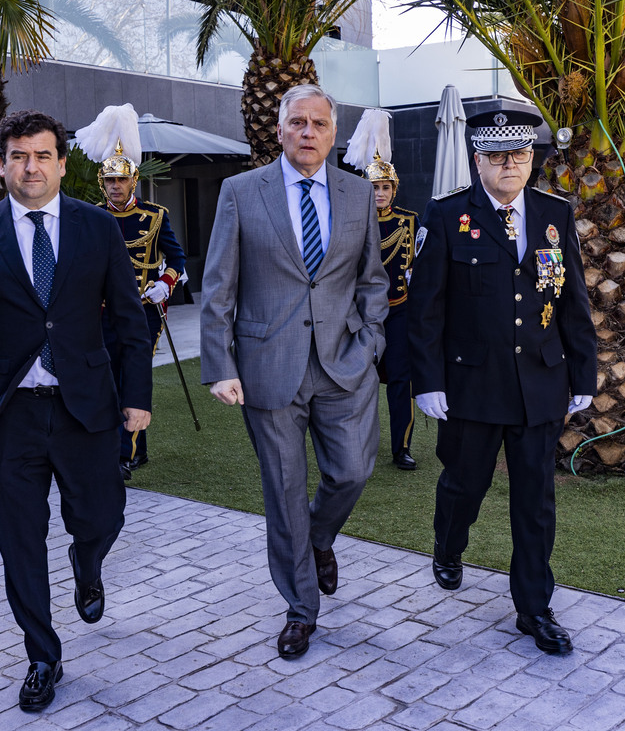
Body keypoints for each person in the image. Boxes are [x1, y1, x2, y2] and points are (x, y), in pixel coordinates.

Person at [0, 110, 152, 711]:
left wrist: (136, 399)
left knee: (102, 516)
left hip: (87, 409)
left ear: (60, 162)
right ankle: (42, 656)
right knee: (20, 543)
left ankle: (88, 558)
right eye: (19, 156)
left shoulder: (98, 227)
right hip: (8, 415)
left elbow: (130, 320)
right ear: (2, 164)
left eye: (43, 155)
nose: (31, 167)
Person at [200, 84, 389, 660]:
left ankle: (321, 537)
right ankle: (301, 609)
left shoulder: (358, 194)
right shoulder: (239, 192)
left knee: (353, 470)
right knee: (282, 494)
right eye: (298, 122)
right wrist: (219, 365)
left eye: (320, 124)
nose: (309, 132)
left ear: (334, 134)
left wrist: (371, 339)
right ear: (279, 130)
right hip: (267, 368)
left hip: (343, 364)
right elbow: (218, 287)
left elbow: (372, 279)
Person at [408, 107, 597, 655]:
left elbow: (573, 304)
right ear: (478, 161)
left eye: (518, 155)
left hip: (539, 383)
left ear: (532, 158)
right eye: (496, 156)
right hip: (470, 384)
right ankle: (448, 543)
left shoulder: (554, 214)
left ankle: (534, 608)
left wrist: (581, 372)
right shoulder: (446, 217)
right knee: (465, 484)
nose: (509, 165)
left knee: (535, 502)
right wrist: (428, 382)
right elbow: (425, 311)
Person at [97, 132, 186, 479]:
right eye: (110, 179)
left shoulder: (156, 215)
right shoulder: (91, 217)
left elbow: (177, 258)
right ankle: (135, 449)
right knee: (110, 381)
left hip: (143, 311)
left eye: (121, 179)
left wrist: (166, 283)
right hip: (102, 313)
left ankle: (124, 456)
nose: (115, 185)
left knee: (132, 379)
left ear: (134, 180)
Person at [343, 108, 419, 470]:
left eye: (386, 187)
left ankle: (401, 447)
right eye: (374, 187)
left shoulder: (409, 221)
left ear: (394, 188)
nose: (380, 193)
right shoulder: (351, 221)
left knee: (401, 381)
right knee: (360, 381)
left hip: (400, 309)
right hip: (360, 313)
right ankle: (359, 445)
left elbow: (417, 266)